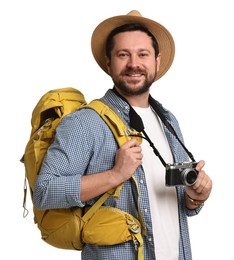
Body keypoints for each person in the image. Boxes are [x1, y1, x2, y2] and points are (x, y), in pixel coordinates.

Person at [33, 10, 212, 260]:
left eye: (143, 54)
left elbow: (175, 204)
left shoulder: (168, 121)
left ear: (157, 61)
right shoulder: (85, 122)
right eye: (123, 55)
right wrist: (115, 175)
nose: (133, 64)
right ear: (109, 62)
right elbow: (44, 191)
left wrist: (195, 197)